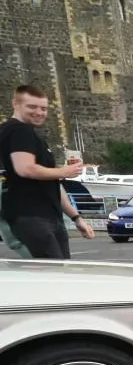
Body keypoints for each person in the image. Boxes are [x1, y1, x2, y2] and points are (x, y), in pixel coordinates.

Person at [0, 84, 93, 259]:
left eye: (43, 108)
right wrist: (64, 171)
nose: (39, 112)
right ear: (15, 104)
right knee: (50, 276)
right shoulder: (19, 130)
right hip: (30, 217)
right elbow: (25, 169)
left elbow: (52, 183)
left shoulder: (29, 134)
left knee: (59, 275)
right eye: (32, 107)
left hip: (48, 217)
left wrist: (76, 217)